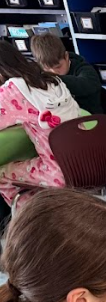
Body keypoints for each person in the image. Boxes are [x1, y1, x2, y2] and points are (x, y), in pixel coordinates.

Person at [0, 42, 81, 206]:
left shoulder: (14, 90)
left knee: (2, 175)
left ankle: (32, 220)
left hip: (57, 172)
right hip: (86, 163)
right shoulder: (51, 80)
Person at [30, 33, 103, 115]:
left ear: (66, 56)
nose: (53, 72)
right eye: (47, 68)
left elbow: (89, 84)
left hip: (89, 119)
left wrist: (55, 79)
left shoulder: (83, 68)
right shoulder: (40, 72)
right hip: (60, 118)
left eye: (58, 67)